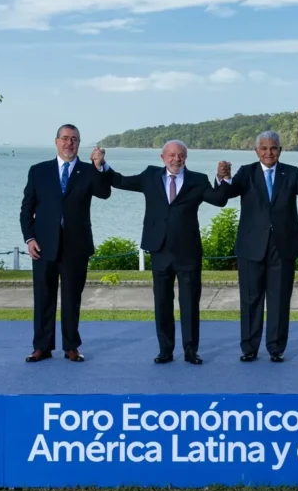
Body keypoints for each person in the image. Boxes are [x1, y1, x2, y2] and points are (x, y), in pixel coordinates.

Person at [100, 140, 228, 365]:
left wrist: (222, 179)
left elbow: (219, 200)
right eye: (171, 155)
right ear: (162, 157)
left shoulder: (198, 180)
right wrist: (102, 165)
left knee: (189, 304)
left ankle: (191, 351)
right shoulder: (150, 176)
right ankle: (165, 351)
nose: (176, 159)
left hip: (188, 253)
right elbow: (120, 181)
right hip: (159, 250)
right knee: (162, 303)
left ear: (186, 158)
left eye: (180, 155)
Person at [213, 131, 298, 362]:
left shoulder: (290, 172)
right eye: (264, 148)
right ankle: (249, 348)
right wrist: (223, 177)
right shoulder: (246, 172)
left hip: (283, 246)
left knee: (279, 300)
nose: (269, 152)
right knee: (250, 299)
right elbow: (226, 194)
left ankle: (276, 349)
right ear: (257, 151)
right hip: (251, 247)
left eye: (273, 148)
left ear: (280, 150)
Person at [19, 124, 111, 363]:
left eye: (75, 139)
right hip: (43, 247)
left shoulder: (88, 170)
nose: (69, 143)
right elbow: (27, 208)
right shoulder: (38, 171)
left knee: (72, 299)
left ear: (79, 144)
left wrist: (99, 166)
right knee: (43, 299)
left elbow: (104, 192)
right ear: (56, 141)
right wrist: (29, 239)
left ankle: (71, 346)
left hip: (75, 247)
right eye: (65, 138)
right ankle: (42, 347)